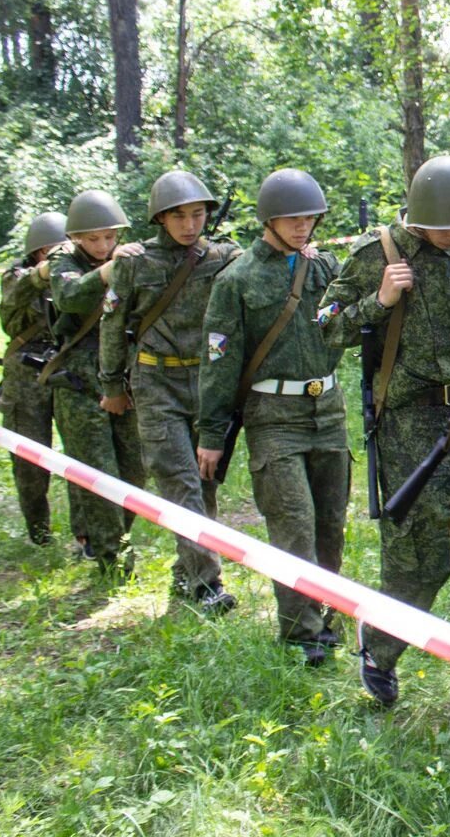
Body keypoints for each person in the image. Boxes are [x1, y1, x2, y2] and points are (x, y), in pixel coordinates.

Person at [318, 155, 450, 704]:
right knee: (418, 554)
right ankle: (380, 644)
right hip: (411, 423)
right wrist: (380, 300)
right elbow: (323, 327)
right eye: (448, 226)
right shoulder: (381, 255)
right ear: (419, 218)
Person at [196, 169, 348, 665]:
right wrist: (211, 434)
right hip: (273, 415)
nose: (303, 226)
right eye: (292, 218)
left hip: (327, 408)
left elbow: (343, 318)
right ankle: (301, 632)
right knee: (294, 524)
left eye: (310, 217)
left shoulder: (324, 268)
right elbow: (219, 365)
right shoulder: (236, 279)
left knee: (329, 523)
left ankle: (325, 614)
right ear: (269, 219)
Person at [99, 170, 242, 614]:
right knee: (181, 482)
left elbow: (264, 264)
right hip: (155, 381)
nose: (189, 224)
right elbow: (112, 324)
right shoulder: (134, 261)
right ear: (160, 218)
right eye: (179, 216)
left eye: (198, 214)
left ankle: (188, 572)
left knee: (205, 481)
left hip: (206, 383)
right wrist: (111, 384)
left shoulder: (222, 257)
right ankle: (205, 585)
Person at [43, 190, 148, 577]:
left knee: (134, 468)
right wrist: (106, 272)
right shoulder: (63, 261)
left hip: (122, 378)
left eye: (110, 237)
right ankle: (113, 560)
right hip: (77, 383)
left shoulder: (129, 255)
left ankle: (103, 535)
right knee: (98, 471)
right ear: (76, 238)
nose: (104, 246)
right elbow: (68, 296)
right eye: (93, 239)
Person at [0, 212, 67, 544]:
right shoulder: (16, 276)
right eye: (52, 250)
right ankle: (39, 532)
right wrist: (44, 272)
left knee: (85, 458)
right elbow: (18, 289)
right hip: (26, 376)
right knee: (29, 461)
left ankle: (88, 538)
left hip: (67, 370)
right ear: (38, 252)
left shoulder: (78, 272)